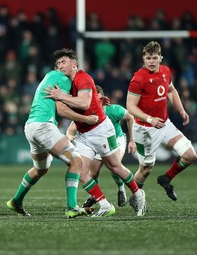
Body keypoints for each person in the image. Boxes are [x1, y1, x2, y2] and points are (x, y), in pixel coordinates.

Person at [45, 48, 146, 217]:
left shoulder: (83, 78)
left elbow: (84, 104)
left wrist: (60, 96)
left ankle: (138, 194)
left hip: (101, 130)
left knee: (115, 166)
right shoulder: (66, 84)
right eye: (58, 63)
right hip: (84, 134)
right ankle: (105, 205)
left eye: (63, 62)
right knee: (82, 172)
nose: (60, 66)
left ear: (74, 64)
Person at [6, 69, 99, 218]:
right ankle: (72, 207)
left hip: (31, 126)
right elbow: (61, 109)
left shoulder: (49, 76)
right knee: (76, 161)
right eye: (60, 63)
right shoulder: (63, 78)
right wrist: (86, 119)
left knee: (40, 169)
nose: (63, 66)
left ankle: (16, 201)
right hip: (44, 126)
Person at [126, 41, 197, 207]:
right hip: (144, 130)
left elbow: (171, 91)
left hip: (164, 124)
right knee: (146, 169)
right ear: (143, 59)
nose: (151, 61)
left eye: (154, 58)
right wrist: (149, 119)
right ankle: (135, 196)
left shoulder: (165, 71)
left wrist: (181, 110)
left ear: (160, 58)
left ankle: (166, 179)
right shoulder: (138, 79)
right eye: (148, 58)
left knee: (190, 155)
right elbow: (130, 107)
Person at [67, 85, 136, 208]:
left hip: (115, 139)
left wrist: (132, 140)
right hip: (97, 141)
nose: (96, 102)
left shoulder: (114, 110)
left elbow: (130, 117)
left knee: (115, 166)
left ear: (103, 99)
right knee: (92, 174)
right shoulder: (87, 111)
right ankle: (95, 197)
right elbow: (71, 129)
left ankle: (123, 189)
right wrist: (69, 135)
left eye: (98, 99)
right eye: (94, 99)